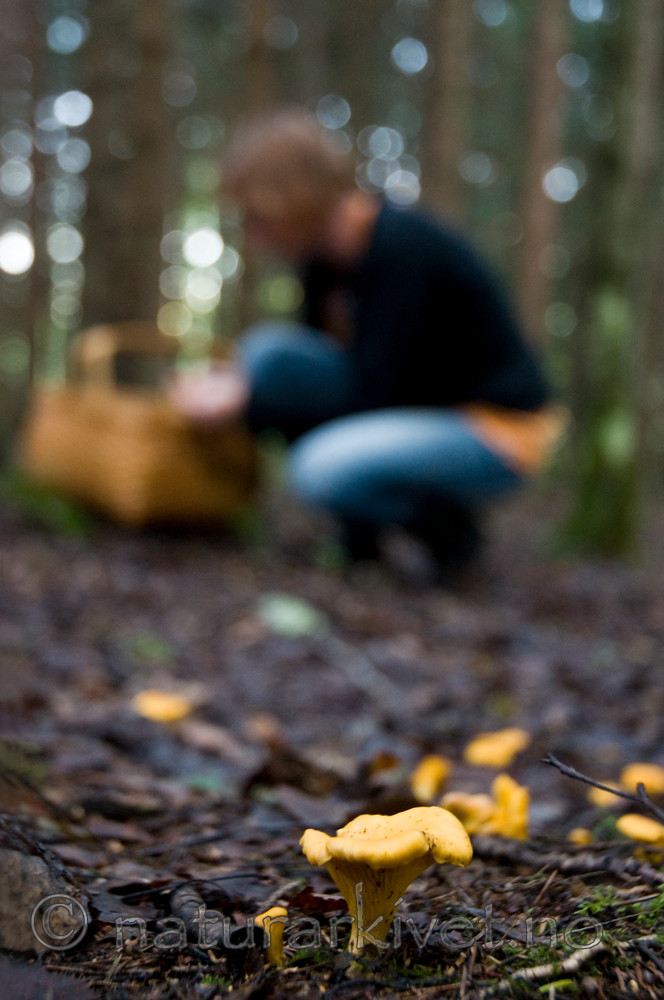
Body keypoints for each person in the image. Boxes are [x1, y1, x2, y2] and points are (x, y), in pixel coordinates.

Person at [169, 108, 560, 578]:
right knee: (265, 357)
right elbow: (322, 387)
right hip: (419, 414)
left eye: (259, 218)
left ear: (292, 200)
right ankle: (362, 541)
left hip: (495, 430)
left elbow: (377, 392)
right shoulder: (322, 266)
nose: (256, 236)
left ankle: (448, 528)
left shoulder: (400, 246)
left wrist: (246, 399)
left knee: (315, 464)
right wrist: (241, 385)